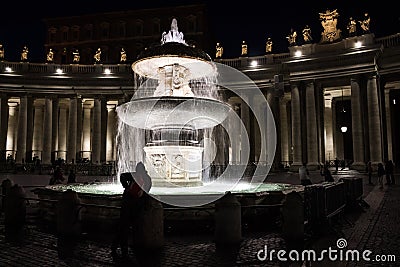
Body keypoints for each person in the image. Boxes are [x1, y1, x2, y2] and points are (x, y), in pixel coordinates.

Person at [111, 162, 152, 261]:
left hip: (131, 206)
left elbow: (147, 190)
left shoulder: (142, 177)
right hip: (133, 206)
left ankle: (120, 247)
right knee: (126, 228)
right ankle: (125, 249)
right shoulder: (143, 177)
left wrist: (128, 188)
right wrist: (127, 188)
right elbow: (147, 191)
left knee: (124, 228)